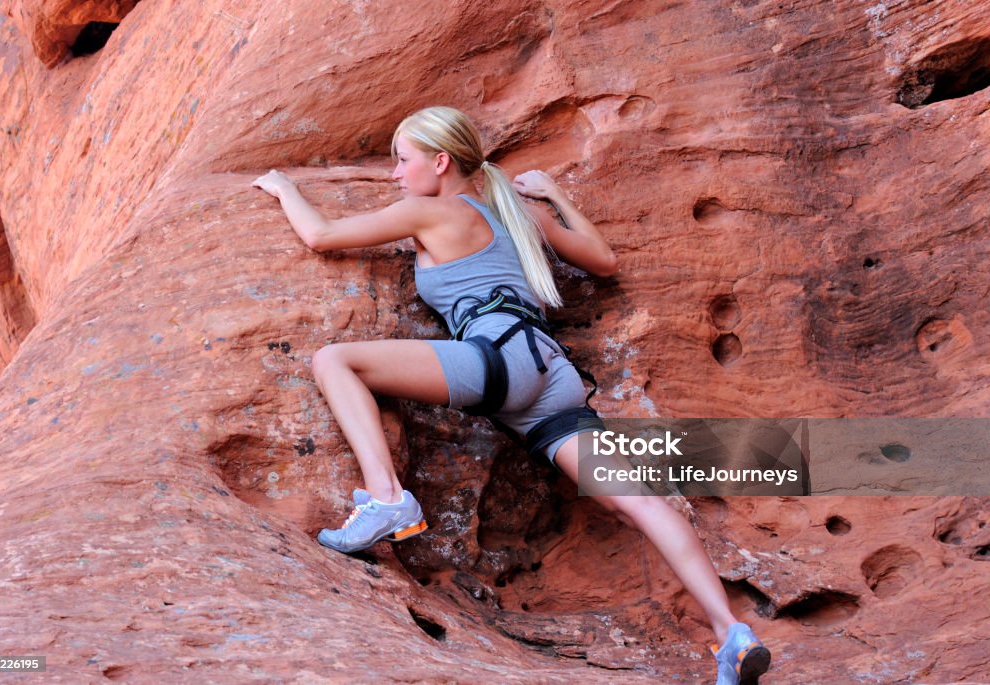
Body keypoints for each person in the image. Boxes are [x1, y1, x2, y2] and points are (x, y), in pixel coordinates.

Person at [252, 106, 770, 684]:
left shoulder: (427, 209)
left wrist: (284, 188)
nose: (394, 175)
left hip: (498, 359)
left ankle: (386, 497)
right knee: (643, 502)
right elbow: (605, 261)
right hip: (552, 372)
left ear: (440, 162)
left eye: (402, 160)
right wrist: (552, 195)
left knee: (333, 360)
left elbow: (322, 236)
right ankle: (731, 631)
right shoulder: (515, 212)